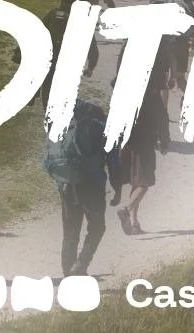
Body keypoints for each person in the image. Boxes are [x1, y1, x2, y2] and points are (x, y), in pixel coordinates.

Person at [43, 97, 110, 277]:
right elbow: (112, 158)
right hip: (92, 184)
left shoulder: (65, 124)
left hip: (67, 184)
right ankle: (80, 265)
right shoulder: (99, 126)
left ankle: (68, 273)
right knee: (97, 227)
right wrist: (118, 186)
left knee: (71, 230)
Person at [112, 52, 170, 235]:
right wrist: (165, 141)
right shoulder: (152, 95)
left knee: (134, 183)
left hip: (127, 144)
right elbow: (162, 119)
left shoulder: (124, 94)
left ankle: (134, 223)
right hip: (144, 143)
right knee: (144, 182)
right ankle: (126, 208)